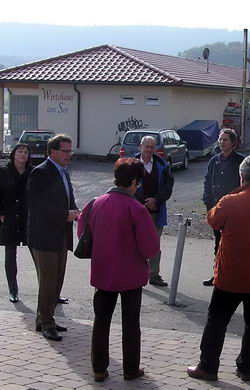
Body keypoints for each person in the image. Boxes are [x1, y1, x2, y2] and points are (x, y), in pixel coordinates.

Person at [187, 155, 250, 383]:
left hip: (231, 273)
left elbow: (212, 221)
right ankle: (246, 368)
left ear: (242, 176)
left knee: (216, 321)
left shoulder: (230, 201)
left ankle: (208, 366)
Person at [77, 158, 160, 383]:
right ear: (133, 182)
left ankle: (99, 368)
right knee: (131, 324)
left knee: (101, 320)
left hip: (103, 271)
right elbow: (151, 248)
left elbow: (82, 233)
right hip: (131, 275)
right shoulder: (136, 209)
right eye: (138, 182)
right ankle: (130, 369)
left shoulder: (95, 203)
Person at [27, 134, 79, 341]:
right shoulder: (40, 173)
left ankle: (45, 318)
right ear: (52, 152)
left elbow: (68, 197)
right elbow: (38, 206)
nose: (70, 155)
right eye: (65, 151)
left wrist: (74, 210)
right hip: (44, 236)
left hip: (61, 235)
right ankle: (46, 323)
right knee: (48, 282)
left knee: (57, 281)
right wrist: (64, 215)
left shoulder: (64, 173)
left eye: (70, 151)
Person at [0, 143, 32, 303]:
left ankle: (48, 291)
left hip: (27, 219)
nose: (23, 154)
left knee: (38, 253)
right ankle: (13, 290)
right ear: (13, 154)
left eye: (26, 152)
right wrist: (1, 215)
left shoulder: (32, 173)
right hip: (10, 219)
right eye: (20, 151)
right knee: (10, 255)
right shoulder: (4, 172)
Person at [201, 128, 245, 287]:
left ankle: (236, 276)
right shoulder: (214, 160)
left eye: (225, 139)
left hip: (234, 210)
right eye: (220, 139)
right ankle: (217, 275)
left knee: (233, 243)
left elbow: (245, 184)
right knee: (218, 243)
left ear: (233, 143)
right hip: (216, 209)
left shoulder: (240, 161)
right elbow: (207, 181)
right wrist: (208, 200)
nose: (221, 142)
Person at [133, 135, 174, 287]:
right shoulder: (131, 165)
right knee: (136, 244)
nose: (149, 150)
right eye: (147, 146)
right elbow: (129, 186)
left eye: (152, 147)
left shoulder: (163, 165)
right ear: (140, 147)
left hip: (157, 211)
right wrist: (144, 201)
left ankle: (154, 275)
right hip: (137, 212)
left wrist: (156, 200)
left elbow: (168, 186)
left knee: (154, 244)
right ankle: (136, 274)